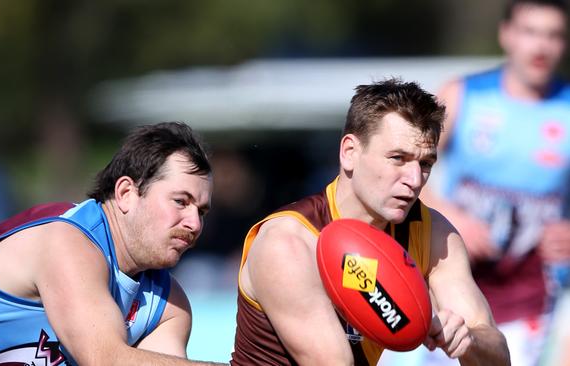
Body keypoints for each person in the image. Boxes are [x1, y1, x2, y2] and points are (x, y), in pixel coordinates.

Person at [230, 79, 510, 366]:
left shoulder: (432, 232)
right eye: (398, 158)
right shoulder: (289, 242)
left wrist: (468, 340)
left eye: (425, 164)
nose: (414, 180)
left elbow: (498, 357)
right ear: (349, 152)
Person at [0, 122, 225, 365]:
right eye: (180, 201)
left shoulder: (169, 304)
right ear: (126, 193)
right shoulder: (66, 240)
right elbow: (106, 360)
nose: (194, 224)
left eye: (201, 211)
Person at [416, 1, 570, 365]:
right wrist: (451, 217)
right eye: (531, 32)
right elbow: (398, 169)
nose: (541, 46)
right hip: (451, 294)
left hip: (537, 300)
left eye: (554, 35)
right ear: (507, 35)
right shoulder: (462, 95)